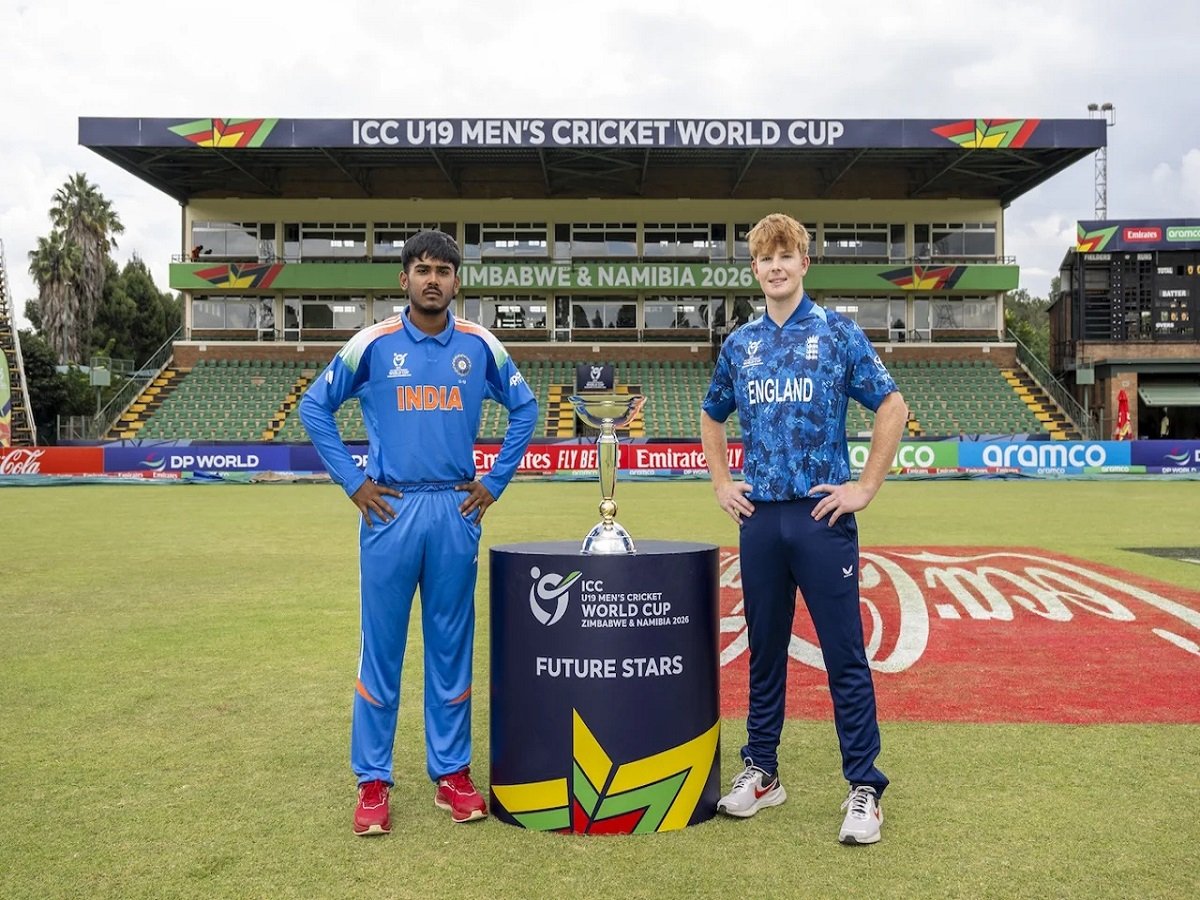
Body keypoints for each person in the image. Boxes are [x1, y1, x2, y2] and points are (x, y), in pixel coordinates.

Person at [299, 229, 538, 835]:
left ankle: (451, 774)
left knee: (451, 649)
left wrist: (494, 482)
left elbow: (526, 408)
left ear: (457, 282)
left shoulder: (480, 344)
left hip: (455, 511)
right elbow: (314, 406)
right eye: (422, 269)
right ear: (403, 278)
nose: (433, 280)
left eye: (443, 271)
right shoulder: (372, 343)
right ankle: (372, 781)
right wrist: (355, 483)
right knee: (381, 649)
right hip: (390, 510)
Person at [699, 213, 907, 845]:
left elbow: (892, 405)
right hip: (761, 518)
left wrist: (864, 488)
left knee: (844, 653)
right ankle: (762, 771)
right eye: (765, 258)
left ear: (804, 263)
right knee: (764, 651)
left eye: (785, 255)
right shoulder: (740, 344)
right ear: (754, 269)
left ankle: (864, 787)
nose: (776, 267)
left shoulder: (838, 333)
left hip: (822, 516)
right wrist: (721, 482)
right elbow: (712, 415)